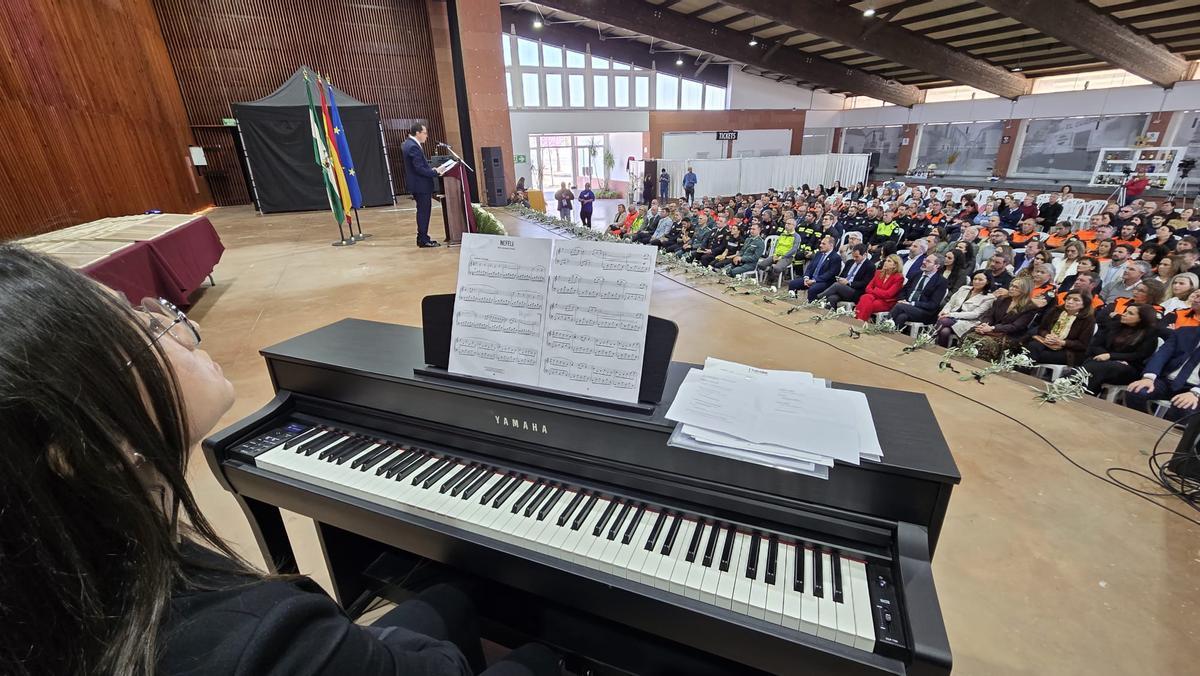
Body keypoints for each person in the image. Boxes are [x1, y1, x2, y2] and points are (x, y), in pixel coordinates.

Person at [0, 246, 561, 676]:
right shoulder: (261, 636)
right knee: (542, 656)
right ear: (89, 447)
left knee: (450, 596)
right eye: (146, 328)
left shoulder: (48, 574)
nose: (180, 328)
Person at [1078, 303, 1160, 395]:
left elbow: (1140, 355)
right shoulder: (1114, 325)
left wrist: (1111, 356)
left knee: (1098, 367)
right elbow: (1095, 345)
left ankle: (1081, 394)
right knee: (1093, 364)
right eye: (1126, 311)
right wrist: (1107, 357)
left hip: (1130, 367)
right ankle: (1079, 392)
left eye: (1130, 313)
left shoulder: (1150, 334)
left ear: (1142, 318)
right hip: (1103, 361)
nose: (1124, 314)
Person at [967, 277, 1040, 361]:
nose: (1011, 288)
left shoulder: (1030, 307)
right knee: (970, 335)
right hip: (991, 330)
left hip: (1010, 336)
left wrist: (992, 328)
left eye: (1016, 287)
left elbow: (1015, 327)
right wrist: (984, 325)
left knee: (985, 343)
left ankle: (980, 366)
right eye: (1011, 285)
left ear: (1024, 290)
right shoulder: (1002, 299)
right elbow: (989, 315)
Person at [1024, 290, 1096, 366]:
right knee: (1032, 346)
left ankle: (1023, 372)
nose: (1070, 302)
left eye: (1076, 300)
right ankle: (1023, 371)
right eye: (1068, 298)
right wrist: (1047, 335)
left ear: (1084, 304)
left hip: (1068, 351)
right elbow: (1041, 329)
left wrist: (1061, 342)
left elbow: (1083, 344)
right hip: (1046, 342)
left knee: (1037, 354)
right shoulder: (1056, 310)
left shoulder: (1088, 320)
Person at [401, 121, 440, 248]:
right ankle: (423, 239)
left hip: (418, 184)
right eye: (424, 133)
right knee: (424, 212)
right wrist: (434, 172)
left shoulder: (409, 143)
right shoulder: (412, 146)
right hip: (420, 185)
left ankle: (422, 237)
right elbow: (418, 168)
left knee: (422, 211)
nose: (426, 136)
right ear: (417, 133)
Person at [934, 271, 996, 347]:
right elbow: (951, 303)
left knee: (943, 321)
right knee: (945, 331)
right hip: (949, 318)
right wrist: (944, 311)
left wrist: (950, 315)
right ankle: (942, 351)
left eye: (980, 280)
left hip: (968, 322)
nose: (976, 281)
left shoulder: (989, 298)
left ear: (987, 282)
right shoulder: (964, 288)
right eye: (975, 279)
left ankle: (929, 338)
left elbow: (975, 314)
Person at [888, 253, 948, 326]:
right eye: (925, 259)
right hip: (907, 306)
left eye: (928, 261)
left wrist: (912, 304)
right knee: (902, 317)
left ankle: (882, 325)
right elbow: (904, 290)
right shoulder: (916, 274)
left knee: (899, 306)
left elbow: (933, 305)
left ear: (936, 266)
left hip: (924, 312)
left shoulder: (941, 282)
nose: (924, 262)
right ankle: (890, 333)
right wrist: (903, 299)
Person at [854, 254, 906, 321]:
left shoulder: (899, 277)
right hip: (873, 298)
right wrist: (878, 292)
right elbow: (868, 288)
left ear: (895, 265)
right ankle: (861, 320)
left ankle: (858, 321)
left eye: (889, 261)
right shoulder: (878, 273)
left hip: (886, 302)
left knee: (865, 303)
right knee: (865, 297)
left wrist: (875, 290)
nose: (885, 262)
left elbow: (888, 294)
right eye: (886, 260)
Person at [789, 235, 841, 300]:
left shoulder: (836, 257)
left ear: (831, 245)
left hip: (824, 282)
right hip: (810, 279)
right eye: (821, 243)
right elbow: (810, 267)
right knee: (793, 284)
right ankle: (792, 302)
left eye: (823, 244)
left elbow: (830, 274)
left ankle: (810, 307)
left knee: (813, 289)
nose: (820, 245)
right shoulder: (818, 253)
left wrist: (814, 280)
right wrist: (806, 277)